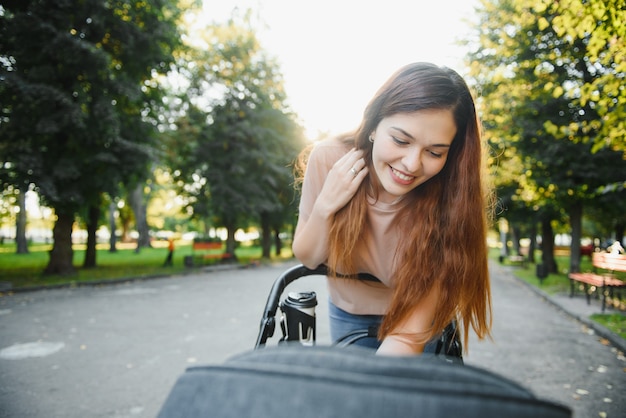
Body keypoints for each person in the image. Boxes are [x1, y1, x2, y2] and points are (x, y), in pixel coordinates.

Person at [292, 62, 493, 356]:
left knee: (397, 397)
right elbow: (309, 257)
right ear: (373, 125)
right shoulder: (330, 159)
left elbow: (407, 338)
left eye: (435, 152)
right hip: (350, 310)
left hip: (419, 314)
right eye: (401, 140)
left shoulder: (452, 188)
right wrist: (325, 207)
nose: (412, 164)